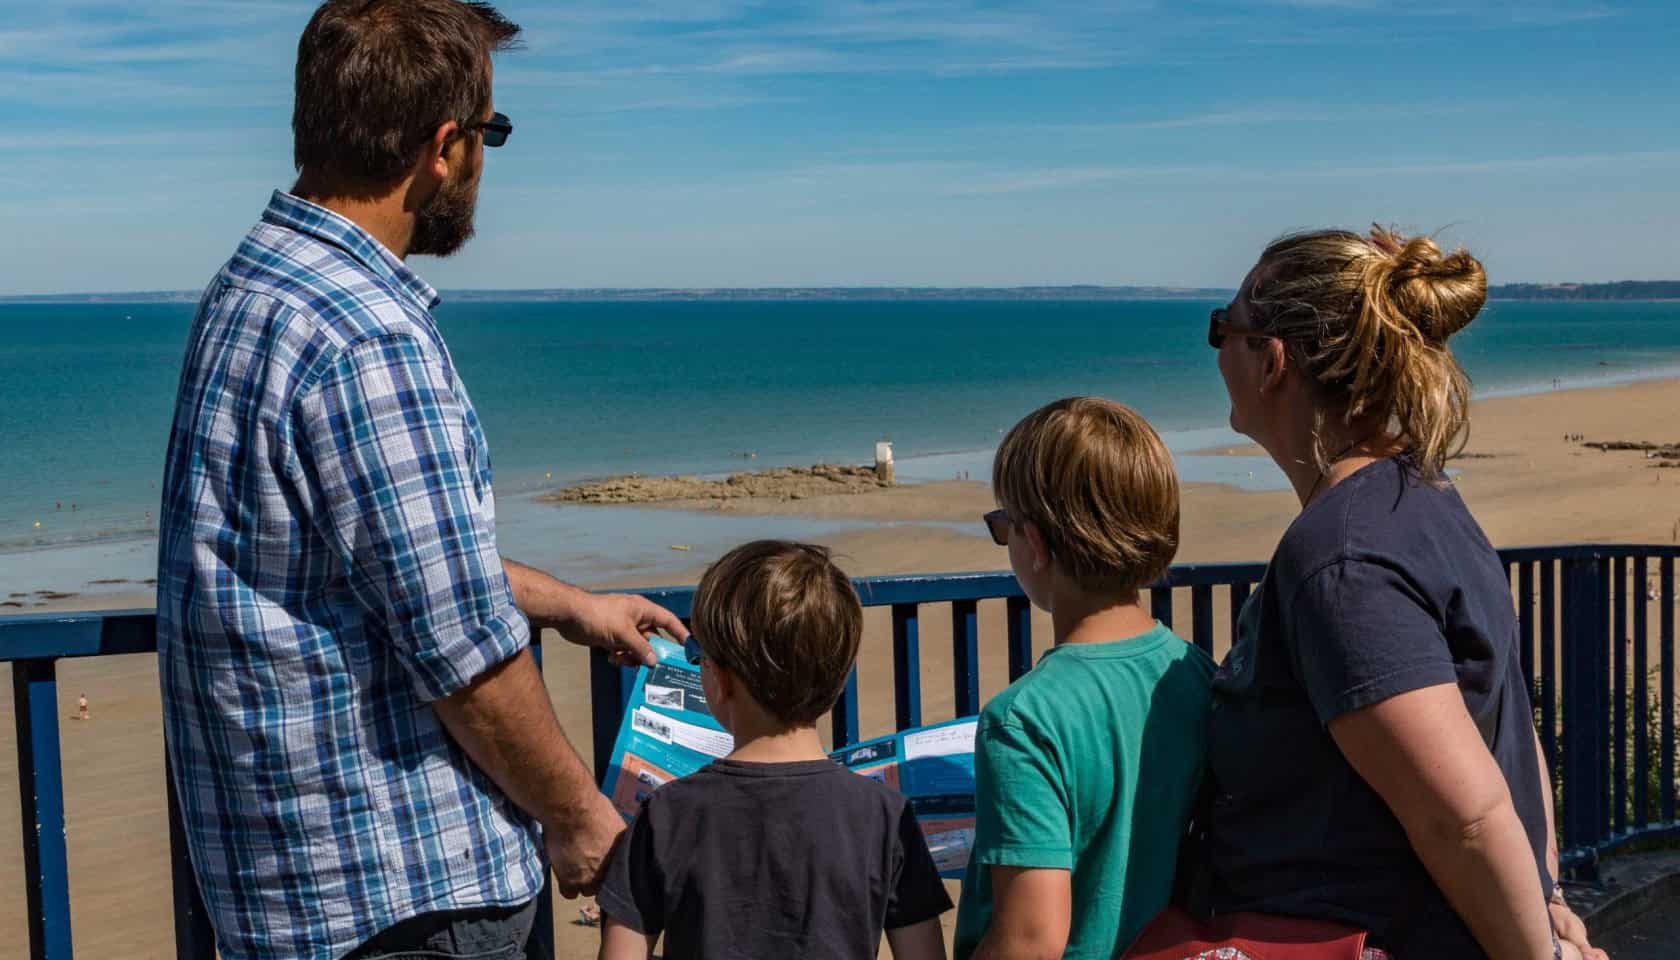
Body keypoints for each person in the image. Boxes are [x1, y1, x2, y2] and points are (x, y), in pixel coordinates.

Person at [155, 4, 687, 959]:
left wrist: (566, 602)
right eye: (491, 134)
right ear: (443, 147)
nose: (487, 161)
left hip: (280, 890)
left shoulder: (252, 288)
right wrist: (575, 815)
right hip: (405, 895)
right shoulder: (370, 334)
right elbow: (461, 650)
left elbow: (365, 556)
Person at [1199, 226, 1606, 959]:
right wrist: (1545, 899)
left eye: (1223, 328)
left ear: (1273, 362)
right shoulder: (1425, 501)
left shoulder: (1343, 559)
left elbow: (1464, 817)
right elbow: (1505, 731)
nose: (1217, 347)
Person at [597, 540, 952, 960]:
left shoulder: (665, 814)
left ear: (723, 681)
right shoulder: (885, 816)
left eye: (698, 656)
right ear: (837, 678)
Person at [954, 397, 1214, 959]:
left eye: (1004, 527)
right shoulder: (1195, 673)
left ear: (1038, 546)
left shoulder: (1024, 720)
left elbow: (1029, 940)